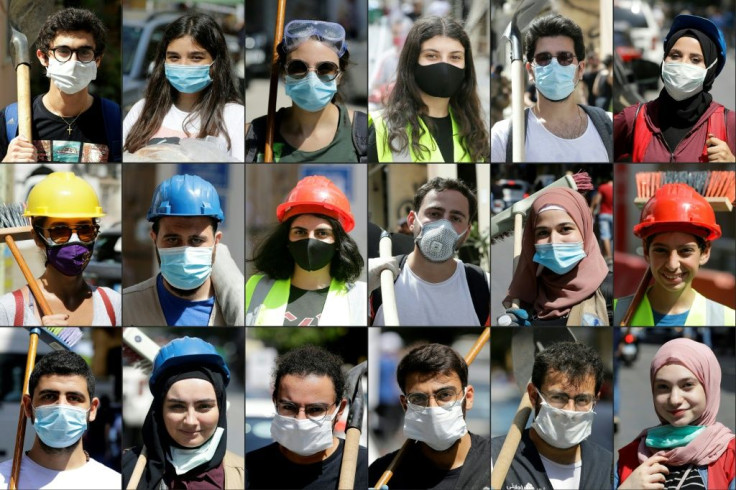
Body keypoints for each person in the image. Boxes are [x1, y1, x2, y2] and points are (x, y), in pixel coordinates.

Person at [0, 8, 121, 162]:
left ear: (97, 60)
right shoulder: (9, 121)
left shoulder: (115, 120)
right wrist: (7, 163)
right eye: (63, 51)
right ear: (43, 57)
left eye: (84, 52)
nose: (73, 62)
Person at [122, 337, 245, 489]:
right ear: (159, 409)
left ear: (220, 408)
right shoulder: (126, 470)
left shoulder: (245, 477)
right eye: (177, 407)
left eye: (204, 406)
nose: (191, 421)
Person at [0, 172, 120, 326]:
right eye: (60, 231)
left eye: (85, 230)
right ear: (37, 238)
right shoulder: (8, 310)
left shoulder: (113, 304)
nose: (75, 242)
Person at [123, 174, 244, 326]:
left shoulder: (241, 309)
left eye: (197, 240)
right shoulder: (125, 308)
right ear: (154, 238)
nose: (186, 252)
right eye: (172, 240)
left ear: (216, 242)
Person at [490, 14, 613, 163]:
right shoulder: (503, 136)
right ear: (530, 71)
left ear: (580, 69)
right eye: (544, 58)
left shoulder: (610, 127)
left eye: (565, 57)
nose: (554, 65)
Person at [615, 338, 735, 489]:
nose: (674, 399)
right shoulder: (630, 456)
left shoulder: (730, 455)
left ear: (709, 386)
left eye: (687, 385)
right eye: (663, 387)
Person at [368, 177, 490, 326]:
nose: (444, 226)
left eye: (455, 218)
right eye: (434, 214)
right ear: (412, 220)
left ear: (467, 232)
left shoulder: (484, 287)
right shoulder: (378, 280)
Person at [491, 341, 612, 490]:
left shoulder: (608, 469)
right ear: (533, 395)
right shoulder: (493, 459)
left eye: (582, 400)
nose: (570, 411)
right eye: (559, 397)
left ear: (595, 401)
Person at [246, 176, 366, 326]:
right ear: (286, 239)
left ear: (338, 242)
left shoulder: (359, 295)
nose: (310, 241)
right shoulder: (256, 287)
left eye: (322, 233)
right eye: (300, 232)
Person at [614, 14, 735, 162]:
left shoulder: (728, 123)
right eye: (675, 55)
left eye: (695, 60)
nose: (683, 64)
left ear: (710, 70)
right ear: (664, 60)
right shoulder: (633, 118)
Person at [123, 13, 244, 161]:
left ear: (216, 63)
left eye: (196, 58)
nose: (183, 65)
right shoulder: (142, 110)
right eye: (174, 57)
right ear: (163, 61)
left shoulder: (233, 116)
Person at [245, 345, 368, 489]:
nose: (300, 420)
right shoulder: (249, 469)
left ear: (339, 409)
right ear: (275, 402)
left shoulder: (365, 467)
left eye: (315, 409)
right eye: (289, 407)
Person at [368, 16, 489, 162]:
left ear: (466, 67)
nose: (444, 67)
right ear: (412, 63)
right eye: (431, 56)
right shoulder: (381, 128)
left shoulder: (475, 132)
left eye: (455, 57)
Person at [369, 343, 490, 488]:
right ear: (405, 405)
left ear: (468, 398)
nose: (433, 409)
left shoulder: (498, 463)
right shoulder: (381, 475)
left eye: (445, 395)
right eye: (418, 399)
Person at [245, 20, 367, 162]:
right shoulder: (252, 136)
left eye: (325, 68)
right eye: (298, 67)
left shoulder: (365, 132)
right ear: (284, 74)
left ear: (339, 76)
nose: (311, 79)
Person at [614, 183, 735, 326]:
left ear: (705, 252)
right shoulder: (614, 312)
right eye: (661, 250)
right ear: (646, 251)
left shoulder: (728, 319)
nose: (672, 265)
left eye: (685, 251)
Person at [0, 350, 121, 488]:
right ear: (28, 406)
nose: (61, 407)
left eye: (74, 398)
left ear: (92, 410)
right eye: (49, 396)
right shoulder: (4, 480)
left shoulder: (113, 483)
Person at [498, 187, 611, 326]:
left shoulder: (610, 291)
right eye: (543, 232)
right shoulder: (527, 294)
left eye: (565, 229)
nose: (554, 242)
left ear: (585, 230)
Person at [590, 176, 613, 264]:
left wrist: (592, 208)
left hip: (604, 214)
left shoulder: (603, 187)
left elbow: (597, 201)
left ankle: (609, 257)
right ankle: (608, 255)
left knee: (605, 235)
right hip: (613, 215)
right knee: (611, 237)